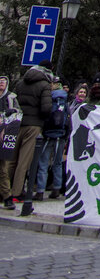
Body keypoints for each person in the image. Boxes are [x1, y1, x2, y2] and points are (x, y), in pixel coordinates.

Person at [8, 60, 53, 213]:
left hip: (17, 122)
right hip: (33, 125)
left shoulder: (21, 83)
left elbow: (13, 101)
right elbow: (46, 108)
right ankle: (16, 193)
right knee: (24, 161)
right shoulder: (44, 84)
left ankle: (5, 191)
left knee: (11, 159)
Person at [35, 77, 69, 200]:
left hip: (48, 133)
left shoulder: (48, 96)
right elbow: (68, 116)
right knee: (58, 162)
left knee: (43, 162)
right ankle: (57, 188)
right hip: (60, 133)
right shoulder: (64, 98)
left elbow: (44, 111)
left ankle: (40, 190)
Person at [0, 76, 21, 209]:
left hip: (3, 135)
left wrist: (11, 112)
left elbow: (18, 113)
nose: (1, 84)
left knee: (2, 168)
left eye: (3, 82)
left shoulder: (10, 98)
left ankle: (7, 197)